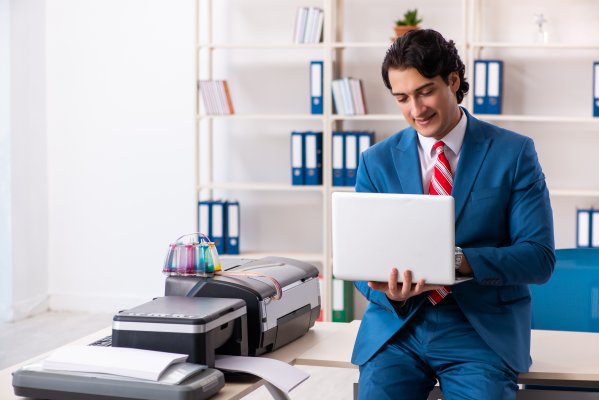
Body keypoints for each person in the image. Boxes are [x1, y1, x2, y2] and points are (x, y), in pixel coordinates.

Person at [352, 29, 555, 399]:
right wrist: (392, 293)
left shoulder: (513, 153)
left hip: (479, 330)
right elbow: (359, 263)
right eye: (402, 98)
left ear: (453, 81)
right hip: (398, 330)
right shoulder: (376, 161)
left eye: (425, 91)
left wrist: (457, 261)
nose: (415, 110)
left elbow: (538, 259)